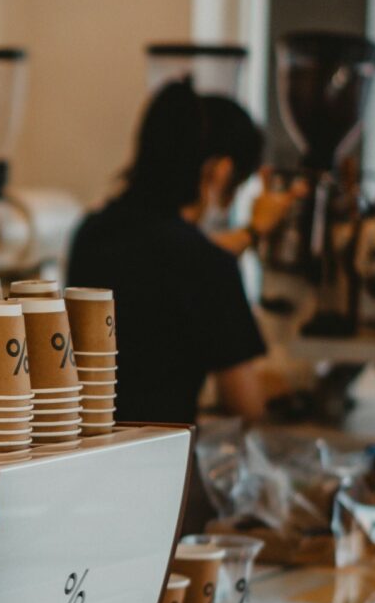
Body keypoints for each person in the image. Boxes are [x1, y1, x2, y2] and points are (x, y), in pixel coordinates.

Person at [68, 81, 303, 427]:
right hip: (161, 461)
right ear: (220, 171)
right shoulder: (206, 265)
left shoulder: (91, 232)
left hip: (84, 448)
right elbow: (246, 407)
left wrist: (252, 232)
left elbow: (167, 253)